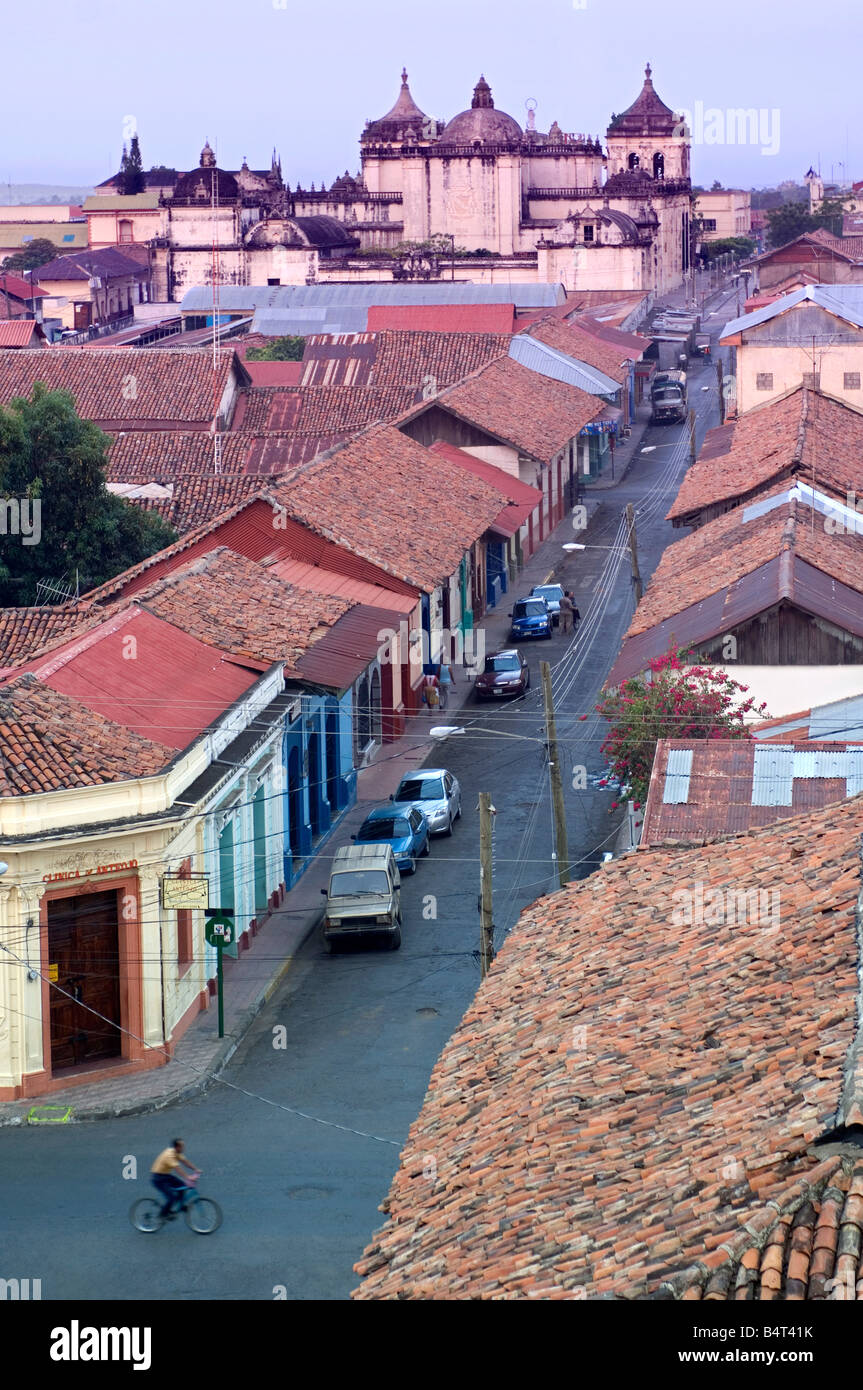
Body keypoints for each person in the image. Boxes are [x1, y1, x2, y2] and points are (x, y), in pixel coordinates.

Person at [150, 1138, 200, 1219]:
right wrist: (188, 1177)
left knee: (183, 1186)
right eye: (182, 1146)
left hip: (166, 1176)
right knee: (171, 1198)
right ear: (177, 1147)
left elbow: (185, 1162)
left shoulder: (177, 1152)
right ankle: (162, 1215)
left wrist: (196, 1169)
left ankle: (180, 1205)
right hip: (158, 1178)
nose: (184, 1148)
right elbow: (178, 1169)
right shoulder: (169, 1155)